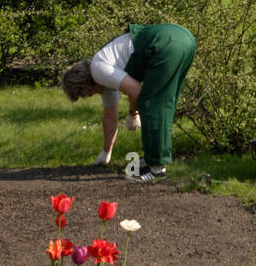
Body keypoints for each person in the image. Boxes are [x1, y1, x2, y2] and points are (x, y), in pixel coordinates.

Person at [60, 23, 196, 183]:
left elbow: (137, 91)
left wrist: (133, 113)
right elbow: (110, 117)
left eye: (86, 94)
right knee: (163, 103)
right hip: (185, 38)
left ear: (85, 87)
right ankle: (153, 158)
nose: (90, 96)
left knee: (152, 104)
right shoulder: (103, 72)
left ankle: (156, 168)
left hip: (166, 44)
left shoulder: (99, 70)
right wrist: (106, 152)